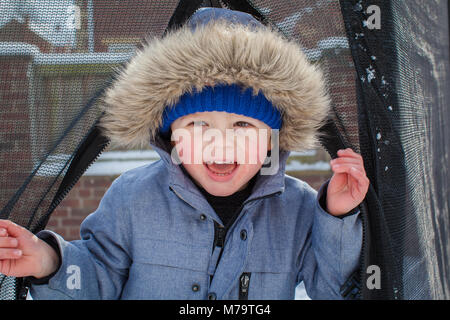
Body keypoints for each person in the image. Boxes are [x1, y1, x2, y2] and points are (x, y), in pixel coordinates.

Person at [0, 8, 369, 300]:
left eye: (243, 126)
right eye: (198, 125)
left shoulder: (298, 208)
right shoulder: (133, 197)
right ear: (171, 136)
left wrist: (337, 216)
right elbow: (98, 278)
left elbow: (333, 289)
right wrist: (47, 261)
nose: (220, 144)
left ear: (271, 139)